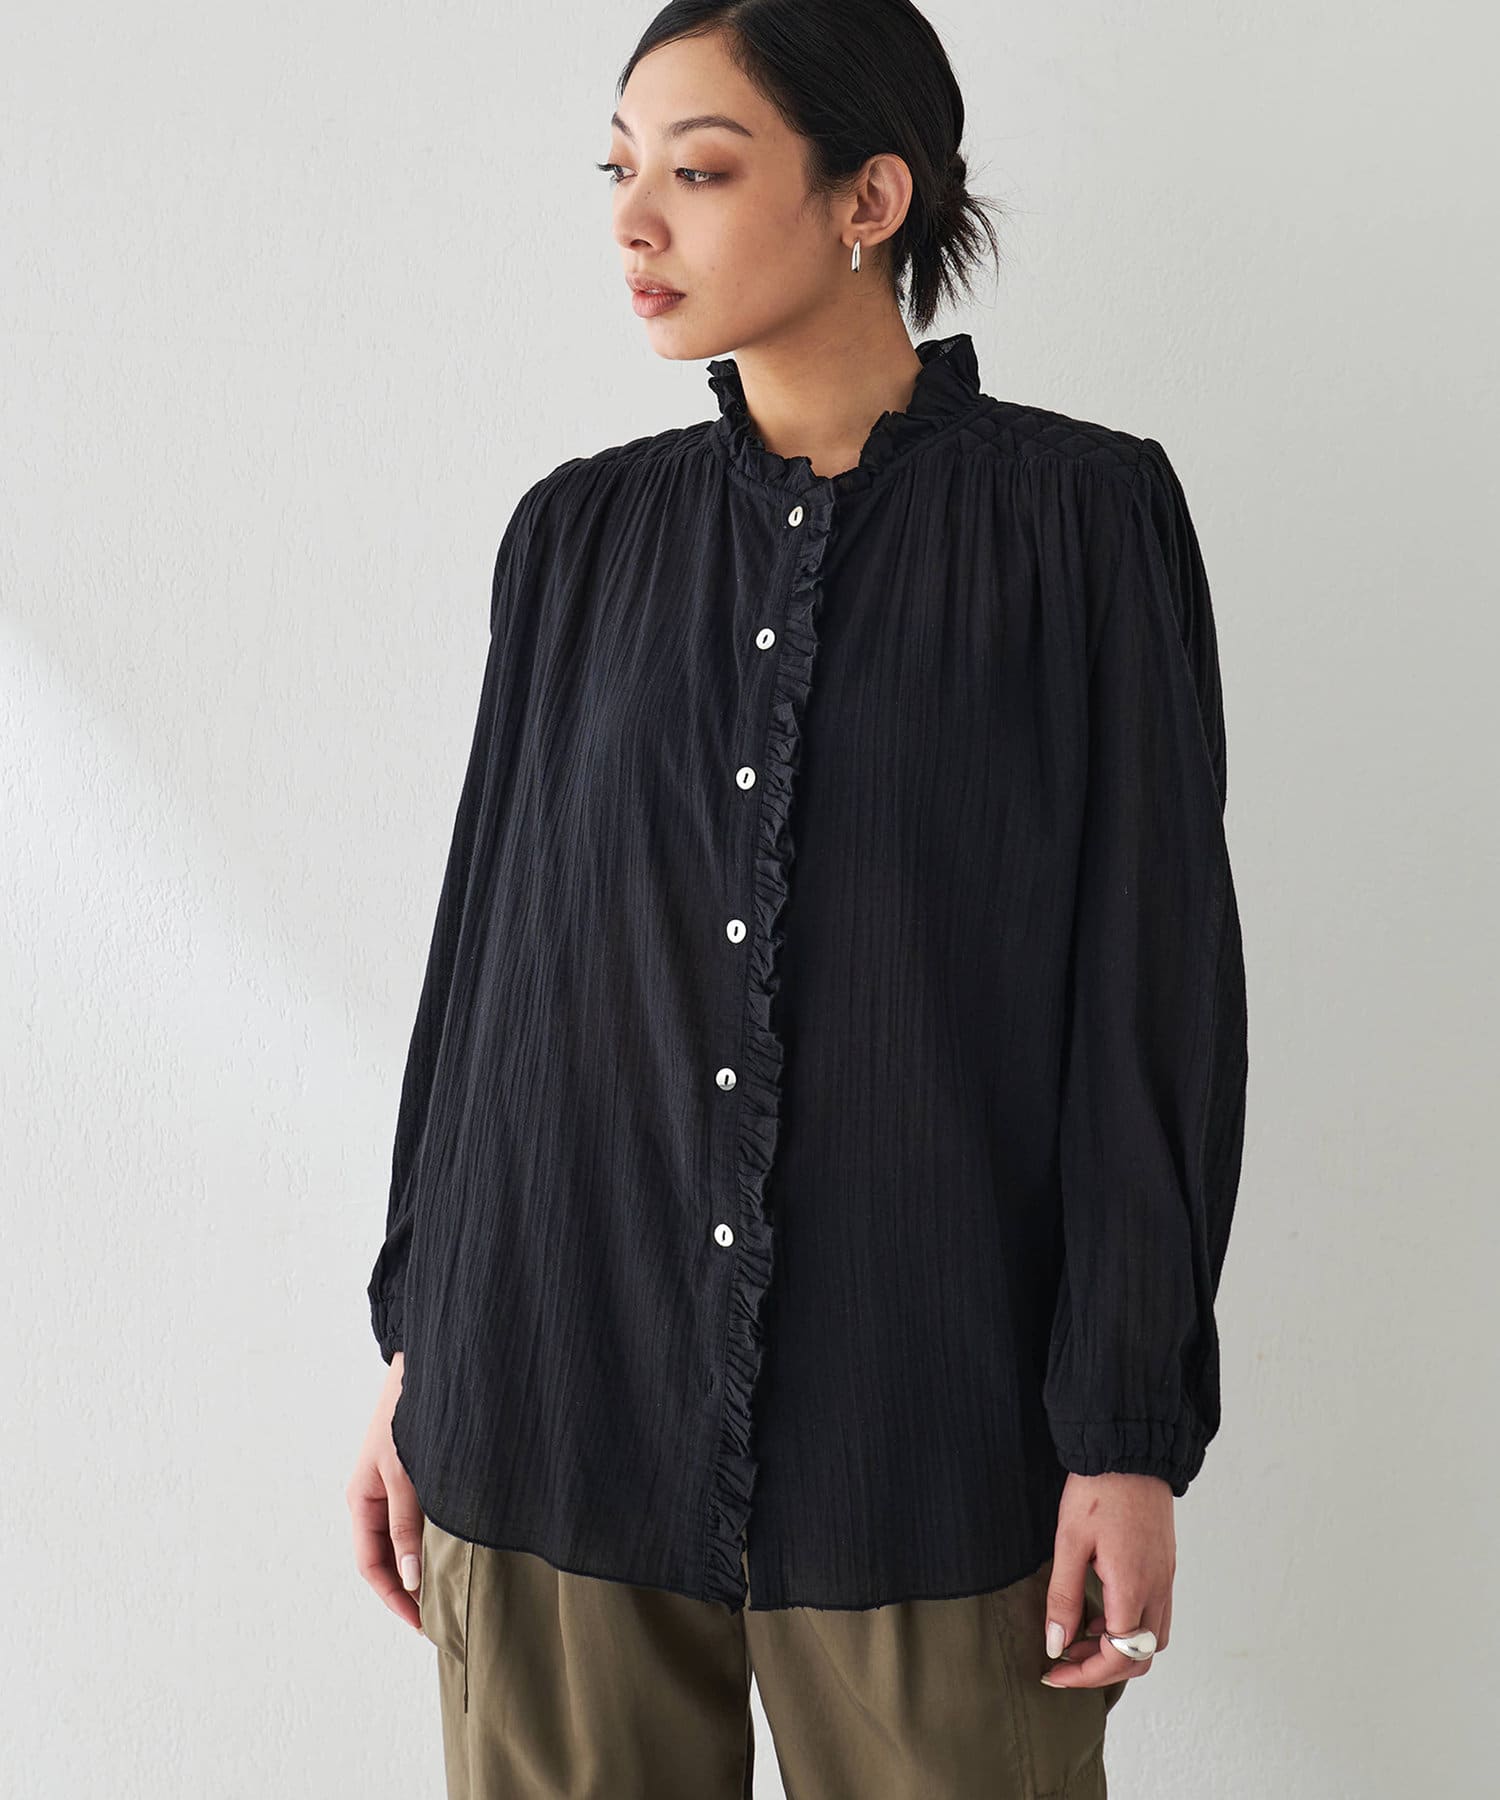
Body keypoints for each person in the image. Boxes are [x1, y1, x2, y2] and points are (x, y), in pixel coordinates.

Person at [346, 3, 1249, 1795]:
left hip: (925, 1433)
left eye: (696, 170)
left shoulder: (1081, 523)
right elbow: (487, 974)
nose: (633, 220)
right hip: (552, 1394)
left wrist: (1127, 1429)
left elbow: (1153, 996)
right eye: (619, 169)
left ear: (869, 198)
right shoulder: (576, 539)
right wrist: (416, 1346)